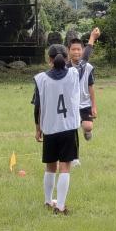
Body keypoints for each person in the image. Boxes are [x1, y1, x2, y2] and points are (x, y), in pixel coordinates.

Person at [32, 44, 81, 215]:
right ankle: (60, 206)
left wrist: (38, 128)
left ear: (49, 59)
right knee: (65, 167)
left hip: (50, 128)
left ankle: (47, 200)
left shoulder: (41, 79)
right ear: (67, 58)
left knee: (50, 166)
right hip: (68, 128)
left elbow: (37, 107)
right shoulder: (73, 74)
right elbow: (85, 58)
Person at [68, 39, 97, 141]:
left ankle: (86, 129)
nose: (76, 52)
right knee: (70, 129)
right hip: (70, 103)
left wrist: (93, 106)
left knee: (88, 127)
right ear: (68, 51)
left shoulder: (88, 67)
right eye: (73, 49)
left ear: (82, 50)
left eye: (78, 49)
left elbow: (91, 86)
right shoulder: (65, 68)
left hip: (85, 103)